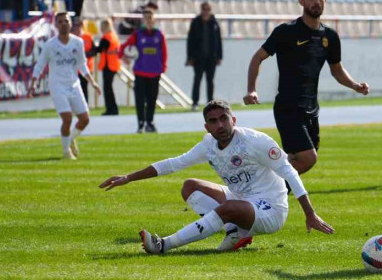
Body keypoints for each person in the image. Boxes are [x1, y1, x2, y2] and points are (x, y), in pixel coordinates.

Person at [98, 100, 334, 254]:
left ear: (234, 120)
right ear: (206, 127)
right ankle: (234, 232)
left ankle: (163, 245)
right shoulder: (208, 145)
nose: (220, 124)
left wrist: (310, 213)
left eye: (224, 118)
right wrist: (129, 177)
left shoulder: (256, 141)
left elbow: (289, 171)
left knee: (228, 207)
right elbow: (173, 164)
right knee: (189, 186)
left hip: (270, 208)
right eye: (213, 121)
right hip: (240, 198)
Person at [244, 0, 370, 175]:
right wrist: (251, 89)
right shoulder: (286, 31)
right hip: (288, 107)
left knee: (292, 161)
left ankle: (264, 192)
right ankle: (268, 194)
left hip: (311, 109)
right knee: (308, 158)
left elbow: (336, 69)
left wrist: (354, 85)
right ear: (301, 1)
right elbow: (257, 58)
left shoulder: (330, 36)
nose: (317, 1)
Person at [31, 12, 101, 160]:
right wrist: (33, 82)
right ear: (56, 25)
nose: (64, 24)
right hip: (57, 86)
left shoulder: (78, 43)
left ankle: (70, 139)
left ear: (71, 24)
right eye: (60, 21)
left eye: (66, 21)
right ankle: (65, 152)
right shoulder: (50, 45)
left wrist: (93, 83)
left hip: (74, 84)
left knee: (85, 119)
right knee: (67, 118)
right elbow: (40, 64)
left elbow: (82, 65)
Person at [119, 9, 168, 133]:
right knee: (140, 99)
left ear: (154, 20)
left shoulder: (159, 34)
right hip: (140, 72)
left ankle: (150, 122)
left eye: (150, 18)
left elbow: (164, 52)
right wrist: (124, 57)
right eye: (146, 18)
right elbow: (122, 48)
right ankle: (140, 123)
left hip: (155, 72)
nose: (148, 20)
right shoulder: (137, 34)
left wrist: (163, 66)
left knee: (152, 99)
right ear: (143, 20)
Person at [187, 2, 223, 111]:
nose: (206, 11)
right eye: (204, 9)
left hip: (211, 57)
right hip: (198, 57)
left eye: (208, 9)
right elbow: (190, 41)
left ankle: (210, 103)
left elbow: (219, 41)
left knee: (210, 80)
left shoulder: (214, 23)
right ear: (201, 9)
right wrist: (190, 57)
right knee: (197, 79)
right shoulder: (195, 22)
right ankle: (195, 102)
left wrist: (220, 56)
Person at [87, 18, 122, 115]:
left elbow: (98, 50)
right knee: (109, 87)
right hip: (114, 65)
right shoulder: (113, 36)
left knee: (107, 88)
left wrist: (88, 52)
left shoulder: (106, 38)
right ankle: (113, 108)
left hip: (108, 66)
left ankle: (111, 109)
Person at [73, 18, 95, 101]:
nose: (77, 28)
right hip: (74, 68)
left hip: (86, 67)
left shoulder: (88, 37)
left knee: (84, 89)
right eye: (75, 26)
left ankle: (85, 107)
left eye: (79, 25)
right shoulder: (70, 37)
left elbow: (94, 51)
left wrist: (84, 55)